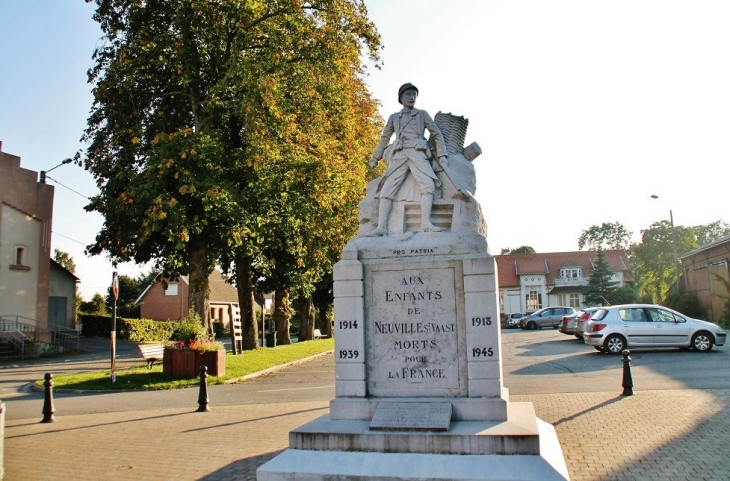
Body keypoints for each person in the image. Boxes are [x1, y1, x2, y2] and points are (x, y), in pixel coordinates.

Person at [366, 83, 448, 236]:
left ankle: (426, 224)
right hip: (400, 155)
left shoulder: (422, 114)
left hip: (418, 154)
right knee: (387, 189)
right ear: (401, 98)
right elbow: (385, 138)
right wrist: (375, 157)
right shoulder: (394, 117)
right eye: (408, 95)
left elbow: (436, 133)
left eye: (414, 95)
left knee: (428, 185)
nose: (412, 97)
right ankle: (382, 227)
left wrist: (443, 156)